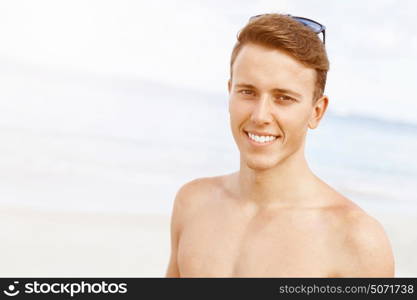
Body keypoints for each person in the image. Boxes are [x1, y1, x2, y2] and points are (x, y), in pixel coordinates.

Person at [165, 13, 394, 277]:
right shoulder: (192, 202)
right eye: (247, 92)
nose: (260, 116)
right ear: (230, 93)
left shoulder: (356, 240)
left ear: (316, 112)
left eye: (283, 98)